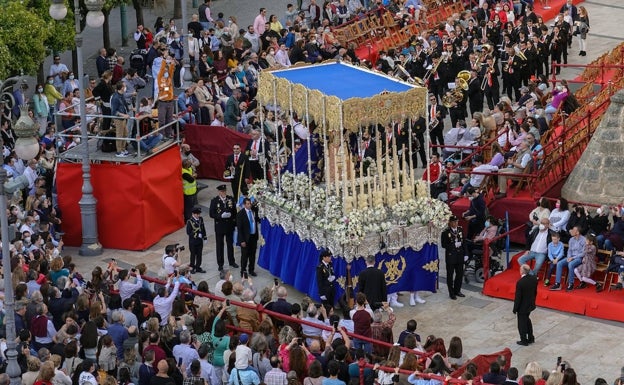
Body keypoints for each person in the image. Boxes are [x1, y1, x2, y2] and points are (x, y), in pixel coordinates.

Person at [209, 184, 238, 271]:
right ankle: (220, 264)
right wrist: (220, 216)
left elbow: (234, 212)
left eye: (224, 191)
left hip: (229, 226)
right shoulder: (215, 201)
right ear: (219, 192)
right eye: (222, 191)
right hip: (220, 227)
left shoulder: (230, 199)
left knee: (230, 244)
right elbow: (211, 214)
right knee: (220, 246)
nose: (223, 193)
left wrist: (234, 221)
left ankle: (231, 261)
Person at [549, 226, 586, 292]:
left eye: (573, 230)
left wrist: (572, 258)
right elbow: (569, 250)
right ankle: (557, 284)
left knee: (571, 264)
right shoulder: (571, 239)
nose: (571, 231)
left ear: (577, 232)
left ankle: (571, 284)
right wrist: (569, 257)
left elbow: (583, 253)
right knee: (559, 263)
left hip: (578, 258)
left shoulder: (584, 240)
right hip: (570, 257)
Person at [441, 215, 466, 300]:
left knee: (459, 274)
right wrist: (453, 245)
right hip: (451, 256)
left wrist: (466, 254)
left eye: (457, 221)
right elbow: (443, 245)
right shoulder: (445, 232)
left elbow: (464, 242)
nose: (456, 223)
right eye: (454, 222)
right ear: (450, 223)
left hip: (459, 255)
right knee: (450, 275)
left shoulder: (460, 230)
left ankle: (457, 290)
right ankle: (451, 293)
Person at [513, 264, 537, 346]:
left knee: (521, 324)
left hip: (522, 307)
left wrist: (515, 308)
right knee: (527, 320)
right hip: (530, 305)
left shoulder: (520, 282)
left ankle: (524, 340)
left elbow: (518, 297)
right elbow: (535, 292)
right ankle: (531, 338)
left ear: (522, 271)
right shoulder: (534, 278)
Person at [237, 197, 259, 277]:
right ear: (244, 205)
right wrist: (242, 240)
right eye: (248, 204)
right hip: (246, 238)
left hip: (253, 237)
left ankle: (251, 269)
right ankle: (243, 271)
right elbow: (240, 229)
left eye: (250, 203)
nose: (249, 205)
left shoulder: (253, 211)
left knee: (252, 255)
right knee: (245, 256)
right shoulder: (240, 214)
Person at [187, 206, 208, 274]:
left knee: (199, 254)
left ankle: (198, 267)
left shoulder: (201, 219)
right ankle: (192, 267)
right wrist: (195, 235)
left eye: (199, 214)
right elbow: (188, 232)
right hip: (193, 242)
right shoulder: (190, 221)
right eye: (197, 214)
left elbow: (203, 228)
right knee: (193, 255)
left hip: (199, 241)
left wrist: (204, 237)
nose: (198, 215)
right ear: (193, 214)